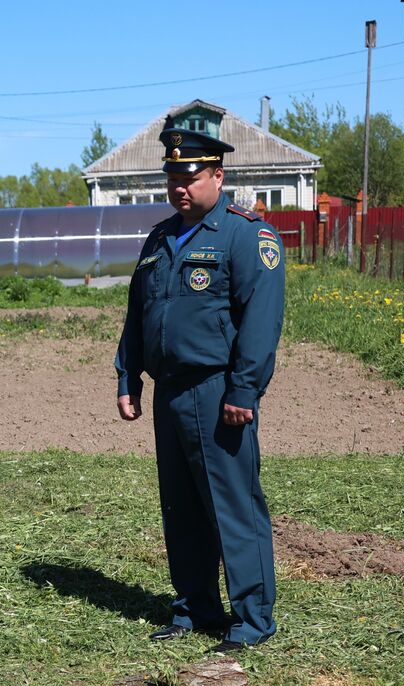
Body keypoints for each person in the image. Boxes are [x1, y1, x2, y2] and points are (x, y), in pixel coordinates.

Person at [115, 126, 285, 653]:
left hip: (218, 394)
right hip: (170, 393)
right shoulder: (160, 238)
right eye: (172, 178)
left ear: (218, 175)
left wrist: (244, 390)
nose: (179, 187)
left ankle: (252, 621)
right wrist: (128, 375)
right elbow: (138, 313)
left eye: (189, 176)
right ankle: (194, 608)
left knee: (233, 506)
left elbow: (260, 321)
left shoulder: (247, 236)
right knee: (182, 508)